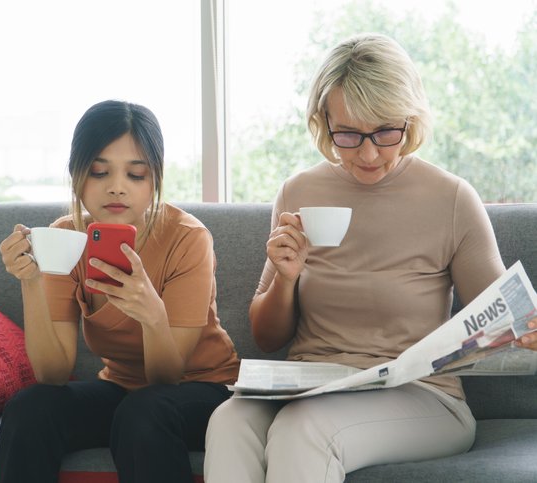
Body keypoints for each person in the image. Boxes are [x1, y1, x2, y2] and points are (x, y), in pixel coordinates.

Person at [204, 33, 535, 482]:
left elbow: (503, 314)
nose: (368, 153)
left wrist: (526, 329)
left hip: (422, 395)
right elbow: (266, 338)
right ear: (324, 122)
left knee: (304, 430)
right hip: (312, 385)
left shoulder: (451, 198)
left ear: (410, 119)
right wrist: (286, 279)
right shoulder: (298, 193)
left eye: (385, 131)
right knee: (229, 421)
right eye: (349, 134)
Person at [0, 100, 239, 483]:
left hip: (204, 392)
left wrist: (152, 315)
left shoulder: (187, 239)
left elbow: (165, 377)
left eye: (135, 174)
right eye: (99, 171)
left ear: (154, 179)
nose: (117, 187)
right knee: (31, 406)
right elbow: (52, 373)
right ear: (77, 176)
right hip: (124, 394)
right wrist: (32, 281)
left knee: (145, 410)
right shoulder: (65, 239)